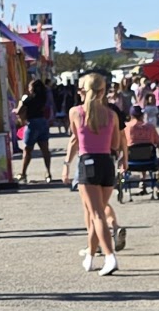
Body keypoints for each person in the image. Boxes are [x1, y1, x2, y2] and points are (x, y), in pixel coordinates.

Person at [63, 72, 122, 276]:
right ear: (103, 91)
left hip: (87, 162)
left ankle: (109, 256)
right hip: (107, 162)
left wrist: (66, 164)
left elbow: (75, 137)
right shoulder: (112, 114)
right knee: (98, 211)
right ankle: (90, 255)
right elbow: (115, 144)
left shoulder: (75, 112)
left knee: (95, 214)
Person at [16, 79, 54, 183]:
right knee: (45, 150)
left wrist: (20, 102)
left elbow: (19, 111)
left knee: (27, 150)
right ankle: (48, 173)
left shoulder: (28, 99)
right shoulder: (43, 98)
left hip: (32, 124)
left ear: (32, 88)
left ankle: (23, 173)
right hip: (43, 123)